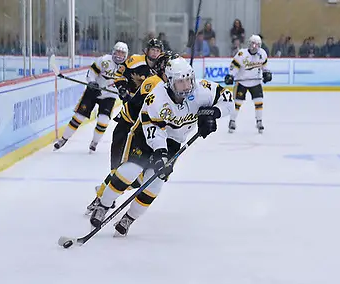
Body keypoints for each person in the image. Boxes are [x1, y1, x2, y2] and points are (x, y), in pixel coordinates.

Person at [88, 57, 234, 236]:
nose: (187, 85)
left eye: (189, 79)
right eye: (181, 82)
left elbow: (228, 99)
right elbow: (153, 129)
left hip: (174, 141)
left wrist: (213, 113)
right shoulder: (157, 98)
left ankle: (129, 218)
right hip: (146, 135)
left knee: (155, 183)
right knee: (130, 171)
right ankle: (103, 205)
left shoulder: (201, 90)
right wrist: (160, 152)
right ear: (170, 81)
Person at [85, 51, 180, 215]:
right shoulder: (155, 82)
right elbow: (150, 111)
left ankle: (105, 192)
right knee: (122, 170)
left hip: (141, 131)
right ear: (164, 69)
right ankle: (101, 199)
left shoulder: (167, 85)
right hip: (128, 129)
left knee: (137, 175)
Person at [53, 41, 128, 152]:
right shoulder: (104, 60)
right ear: (113, 51)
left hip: (110, 95)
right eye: (117, 52)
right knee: (79, 117)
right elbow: (92, 72)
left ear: (125, 55)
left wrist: (124, 91)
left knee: (103, 120)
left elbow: (128, 83)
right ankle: (63, 139)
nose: (119, 55)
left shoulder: (127, 67)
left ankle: (94, 142)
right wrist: (91, 82)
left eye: (122, 53)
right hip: (94, 91)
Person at [224, 34, 271, 134]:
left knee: (259, 102)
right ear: (249, 43)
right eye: (253, 44)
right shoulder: (241, 54)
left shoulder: (262, 54)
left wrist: (267, 73)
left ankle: (259, 121)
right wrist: (231, 75)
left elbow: (265, 66)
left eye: (257, 44)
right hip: (242, 82)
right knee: (237, 103)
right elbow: (234, 67)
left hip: (256, 82)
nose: (255, 47)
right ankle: (232, 121)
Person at [114, 38, 163, 104]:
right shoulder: (135, 61)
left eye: (157, 50)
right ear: (147, 50)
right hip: (131, 100)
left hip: (151, 102)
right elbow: (119, 75)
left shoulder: (162, 66)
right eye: (153, 49)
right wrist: (122, 88)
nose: (155, 53)